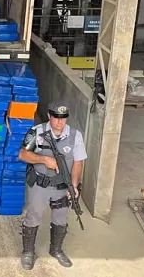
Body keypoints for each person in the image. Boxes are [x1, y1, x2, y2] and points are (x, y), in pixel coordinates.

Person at [17, 101, 87, 270]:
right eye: (56, 117)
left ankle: (56, 250)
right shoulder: (37, 132)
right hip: (40, 184)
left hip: (62, 186)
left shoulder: (75, 135)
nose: (59, 122)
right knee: (33, 216)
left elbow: (78, 162)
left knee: (61, 219)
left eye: (63, 118)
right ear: (49, 116)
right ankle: (28, 252)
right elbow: (23, 155)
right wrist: (44, 159)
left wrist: (74, 185)